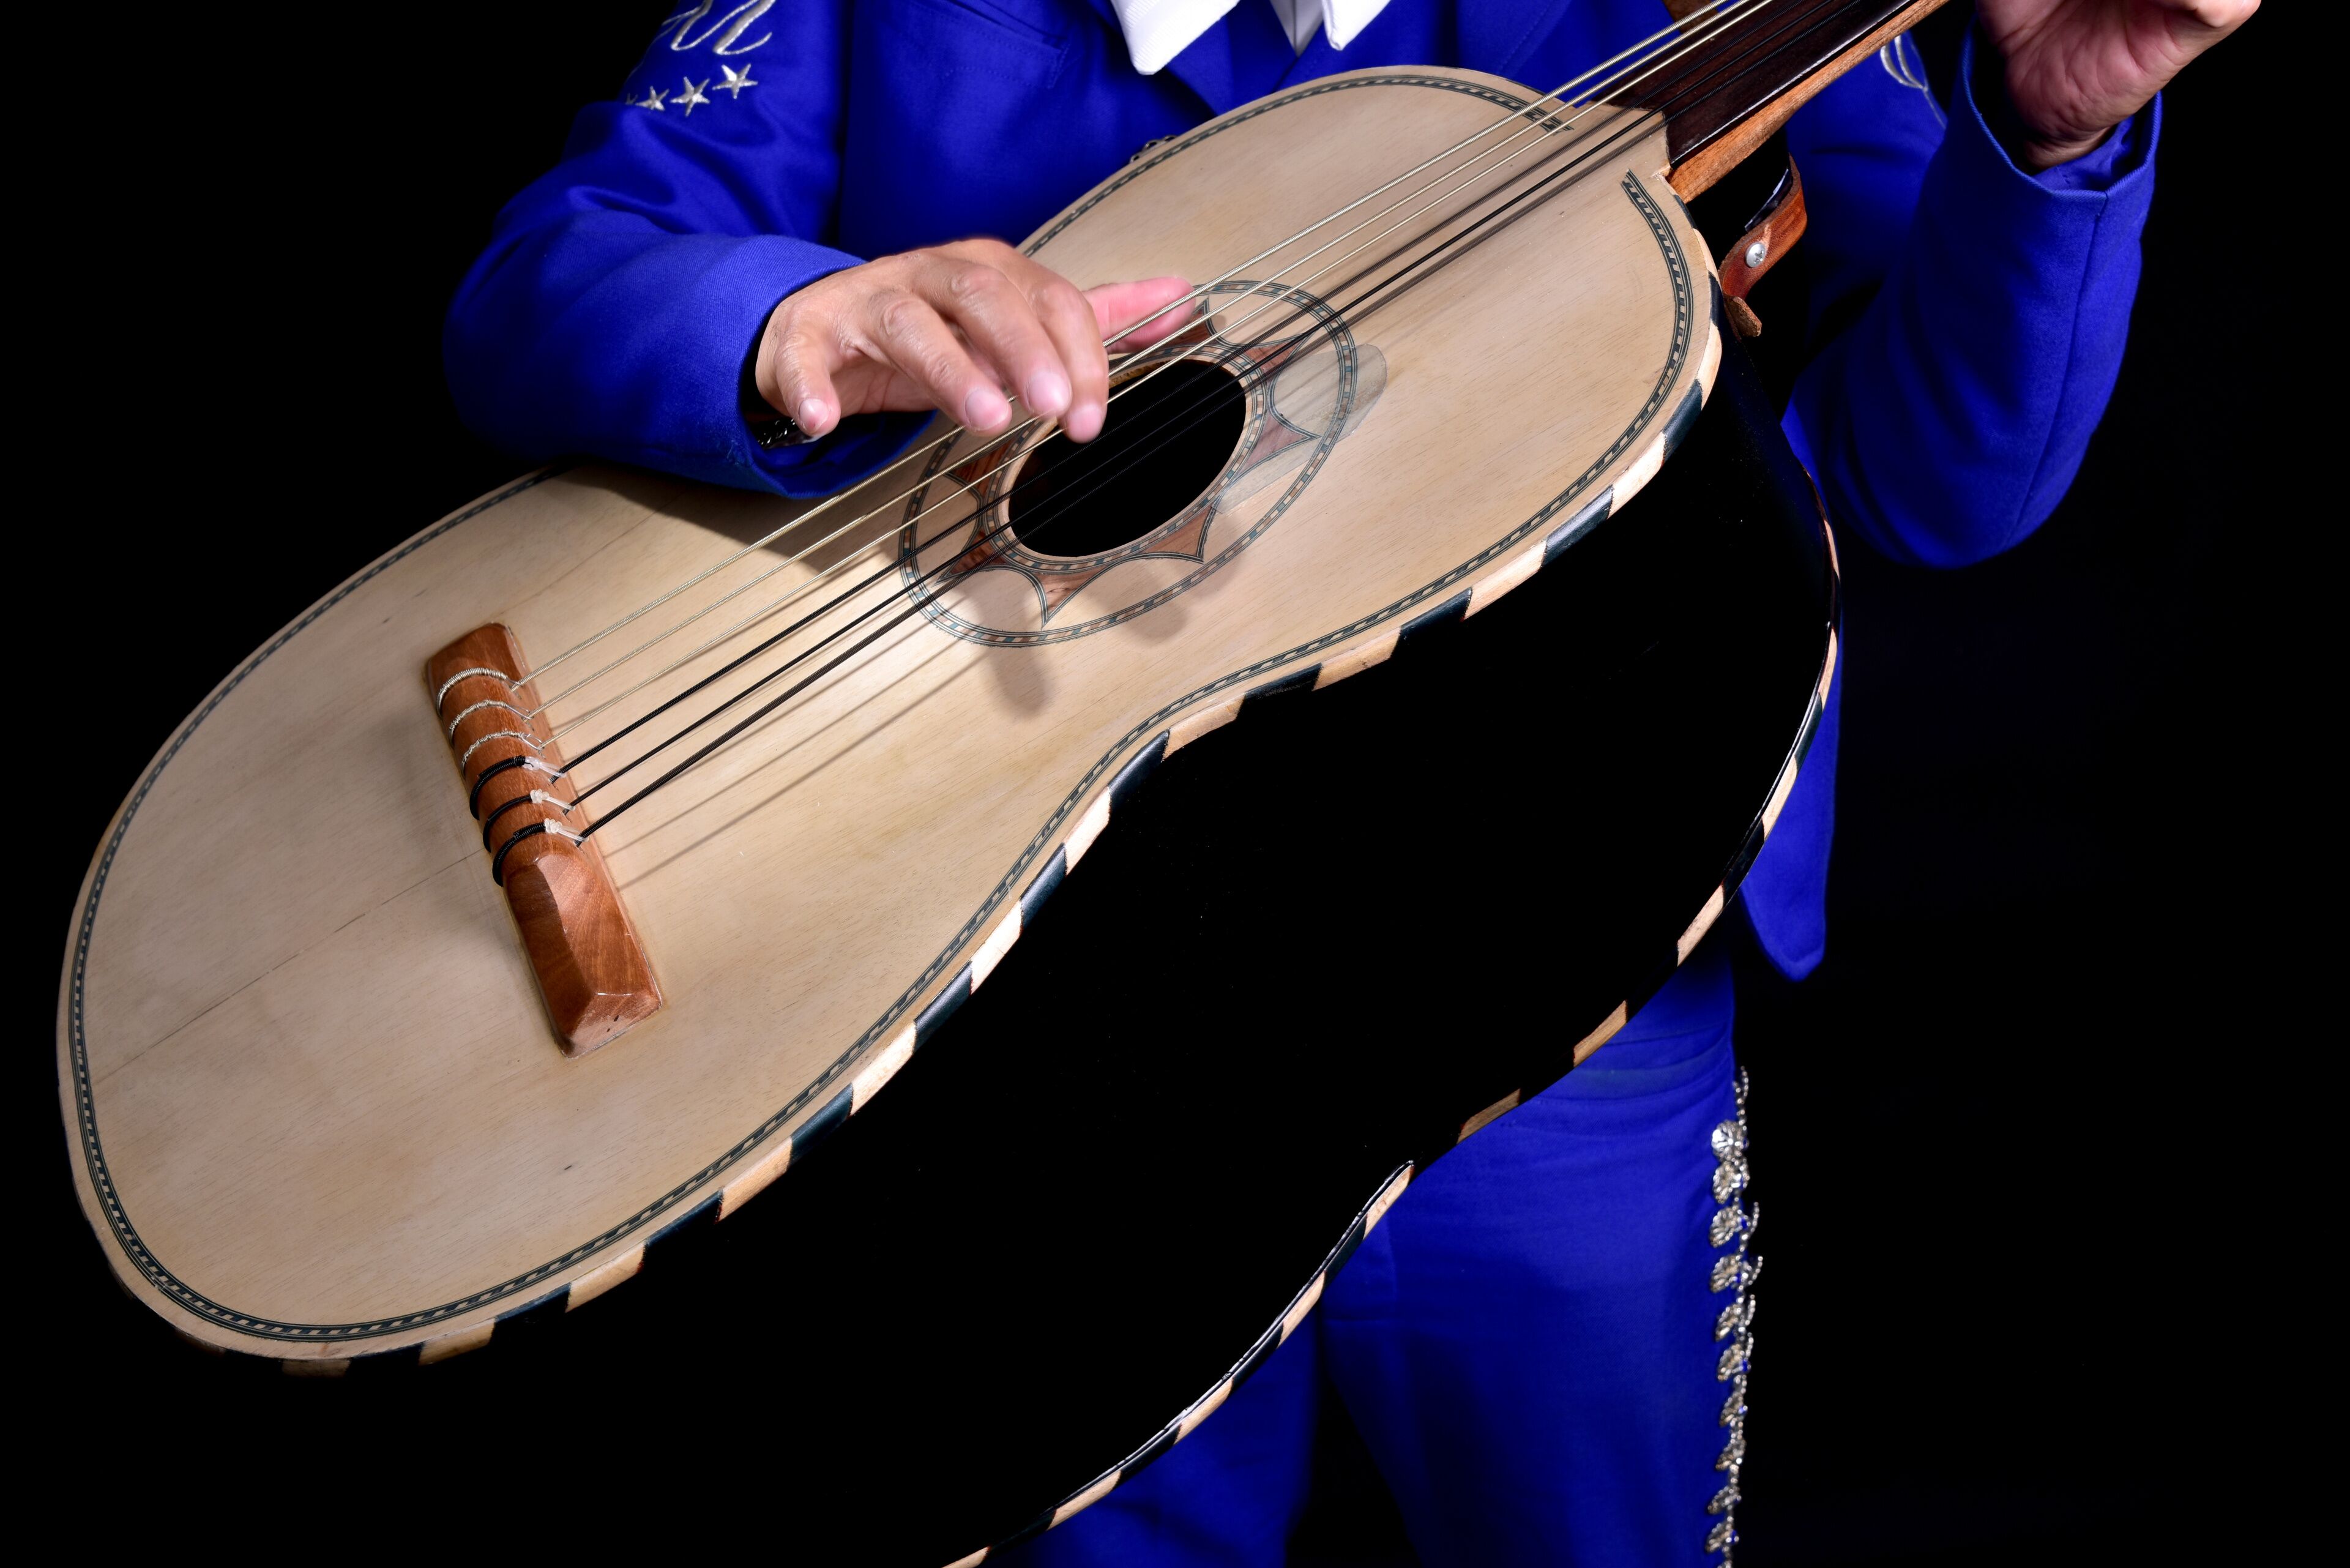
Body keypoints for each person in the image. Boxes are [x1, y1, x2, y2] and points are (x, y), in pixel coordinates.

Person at [444, 2, 2253, 1561]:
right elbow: (551, 270)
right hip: (1054, 1046)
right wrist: (791, 322)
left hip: (1566, 984)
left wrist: (2045, 141)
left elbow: (1933, 477)